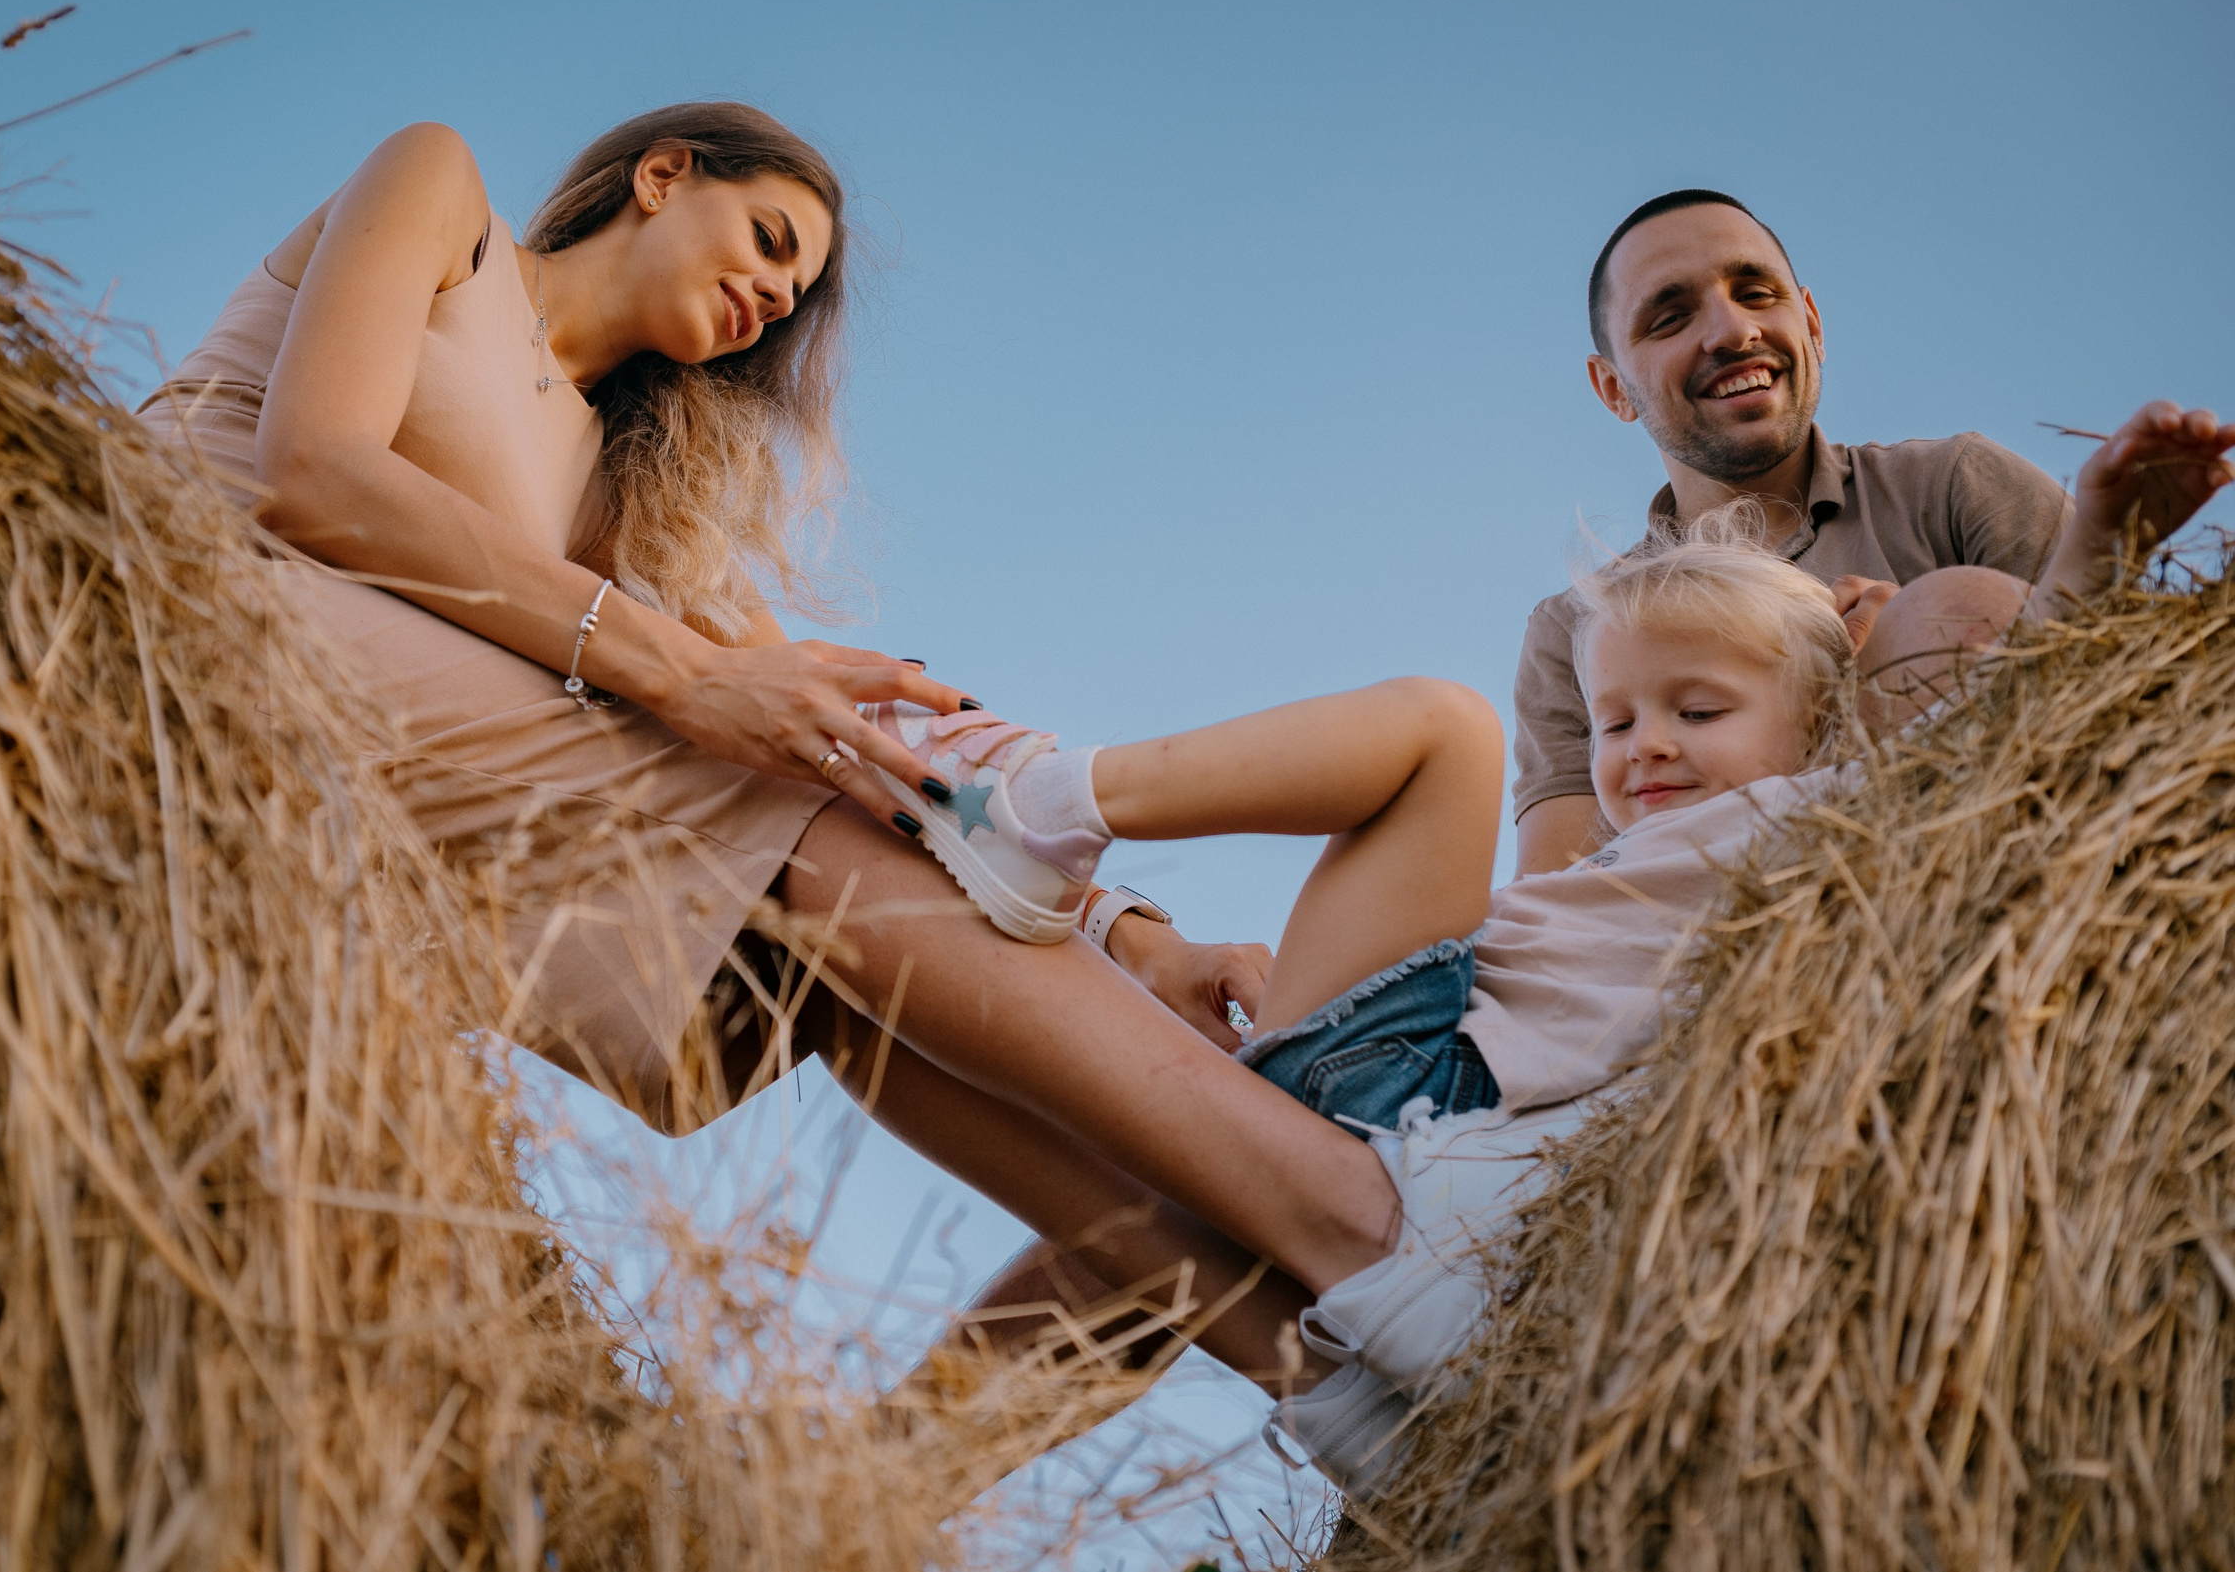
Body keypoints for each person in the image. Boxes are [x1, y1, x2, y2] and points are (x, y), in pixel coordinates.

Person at [134, 103, 1430, 1425]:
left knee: (830, 952)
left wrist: (1128, 930)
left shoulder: (618, 485)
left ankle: (1342, 1385)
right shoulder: (441, 196)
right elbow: (309, 470)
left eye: (794, 290)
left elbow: (847, 737)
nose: (775, 293)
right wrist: (682, 675)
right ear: (661, 174)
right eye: (768, 239)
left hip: (383, 798)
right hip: (186, 630)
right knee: (764, 795)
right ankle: (1369, 1231)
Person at [882, 399, 2229, 1492]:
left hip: (1421, 1087)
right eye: (1620, 722)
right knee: (1122, 1179)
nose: (1645, 749)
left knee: (1444, 733)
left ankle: (1048, 800)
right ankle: (884, 1469)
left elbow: (2005, 743)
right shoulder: (1638, 850)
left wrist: (2099, 531)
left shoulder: (1834, 825)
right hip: (1419, 1054)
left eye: (1697, 709)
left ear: (1820, 725)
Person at [1511, 190, 2076, 877]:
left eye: (1756, 293)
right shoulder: (1573, 624)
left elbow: (2120, 693)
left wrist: (1912, 657)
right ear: (1613, 389)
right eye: (1669, 317)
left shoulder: (1958, 487)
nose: (1731, 331)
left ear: (1810, 322)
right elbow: (1559, 897)